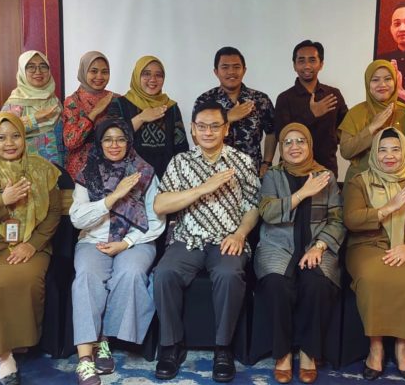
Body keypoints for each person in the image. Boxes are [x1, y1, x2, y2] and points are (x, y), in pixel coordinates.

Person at [152, 103, 260, 382]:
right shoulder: (180, 162)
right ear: (192, 129)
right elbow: (160, 205)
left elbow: (253, 206)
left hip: (228, 238)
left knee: (229, 274)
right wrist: (202, 188)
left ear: (226, 129)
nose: (208, 132)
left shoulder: (242, 161)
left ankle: (223, 348)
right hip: (188, 238)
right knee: (164, 273)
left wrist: (240, 234)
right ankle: (171, 345)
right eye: (202, 126)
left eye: (215, 126)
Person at [0, 112, 61, 384]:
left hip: (31, 242)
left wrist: (33, 244)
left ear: (24, 137)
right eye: (1, 137)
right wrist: (3, 202)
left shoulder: (42, 169)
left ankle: (23, 341)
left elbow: (54, 213)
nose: (9, 143)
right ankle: (4, 356)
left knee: (27, 279)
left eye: (16, 136)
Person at [70, 118, 164, 385]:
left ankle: (104, 340)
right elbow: (78, 219)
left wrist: (126, 243)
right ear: (99, 143)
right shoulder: (88, 173)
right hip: (94, 240)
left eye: (121, 139)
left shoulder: (144, 172)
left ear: (129, 141)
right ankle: (85, 359)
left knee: (131, 273)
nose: (114, 145)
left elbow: (156, 220)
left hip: (136, 239)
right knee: (86, 277)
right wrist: (112, 197)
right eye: (108, 139)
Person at [344, 128, 405, 383]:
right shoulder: (359, 181)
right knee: (372, 279)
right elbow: (351, 220)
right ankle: (375, 348)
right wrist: (388, 208)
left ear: (404, 152)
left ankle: (402, 348)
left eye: (396, 149)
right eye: (383, 150)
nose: (390, 156)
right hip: (369, 245)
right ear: (374, 153)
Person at [254, 123, 345, 384]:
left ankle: (308, 352)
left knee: (317, 283)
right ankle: (282, 353)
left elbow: (337, 219)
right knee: (276, 283)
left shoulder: (325, 176)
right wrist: (303, 193)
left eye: (300, 141)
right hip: (277, 245)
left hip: (316, 246)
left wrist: (320, 246)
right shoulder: (272, 175)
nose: (294, 147)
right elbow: (267, 212)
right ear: (281, 148)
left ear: (310, 145)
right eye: (288, 142)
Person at [194, 46, 276, 176]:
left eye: (236, 67)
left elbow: (272, 132)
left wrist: (267, 163)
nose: (231, 72)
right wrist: (227, 117)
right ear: (216, 72)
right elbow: (196, 137)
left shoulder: (260, 99)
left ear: (244, 70)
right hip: (215, 173)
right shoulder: (205, 100)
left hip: (252, 172)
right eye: (225, 67)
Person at [274, 40, 349, 177]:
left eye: (312, 60)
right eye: (301, 60)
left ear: (321, 64)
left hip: (326, 167)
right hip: (292, 170)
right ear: (294, 65)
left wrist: (331, 140)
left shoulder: (333, 94)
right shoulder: (284, 98)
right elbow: (281, 135)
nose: (307, 65)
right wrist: (311, 114)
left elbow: (345, 128)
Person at [108, 55, 188, 178]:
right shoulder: (119, 104)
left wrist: (178, 178)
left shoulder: (170, 107)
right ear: (137, 76)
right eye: (146, 74)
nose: (153, 79)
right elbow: (112, 140)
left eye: (159, 75)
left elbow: (181, 147)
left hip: (166, 177)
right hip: (129, 177)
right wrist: (140, 118)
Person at [339, 60, 405, 184]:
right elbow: (346, 151)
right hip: (360, 183)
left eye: (388, 79)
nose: (382, 84)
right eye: (375, 80)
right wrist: (372, 127)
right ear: (368, 83)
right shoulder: (356, 113)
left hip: (399, 184)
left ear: (395, 81)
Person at [2, 50, 65, 166]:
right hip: (28, 167)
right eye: (31, 67)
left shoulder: (54, 101)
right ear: (22, 70)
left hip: (58, 166)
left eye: (43, 66)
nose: (38, 72)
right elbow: (4, 134)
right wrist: (34, 118)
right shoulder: (14, 103)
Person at [62, 51, 117, 179]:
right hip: (81, 171)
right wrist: (94, 113)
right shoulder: (73, 101)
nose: (99, 76)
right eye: (93, 71)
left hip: (111, 167)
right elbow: (70, 141)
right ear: (83, 71)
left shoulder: (115, 99)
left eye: (105, 72)